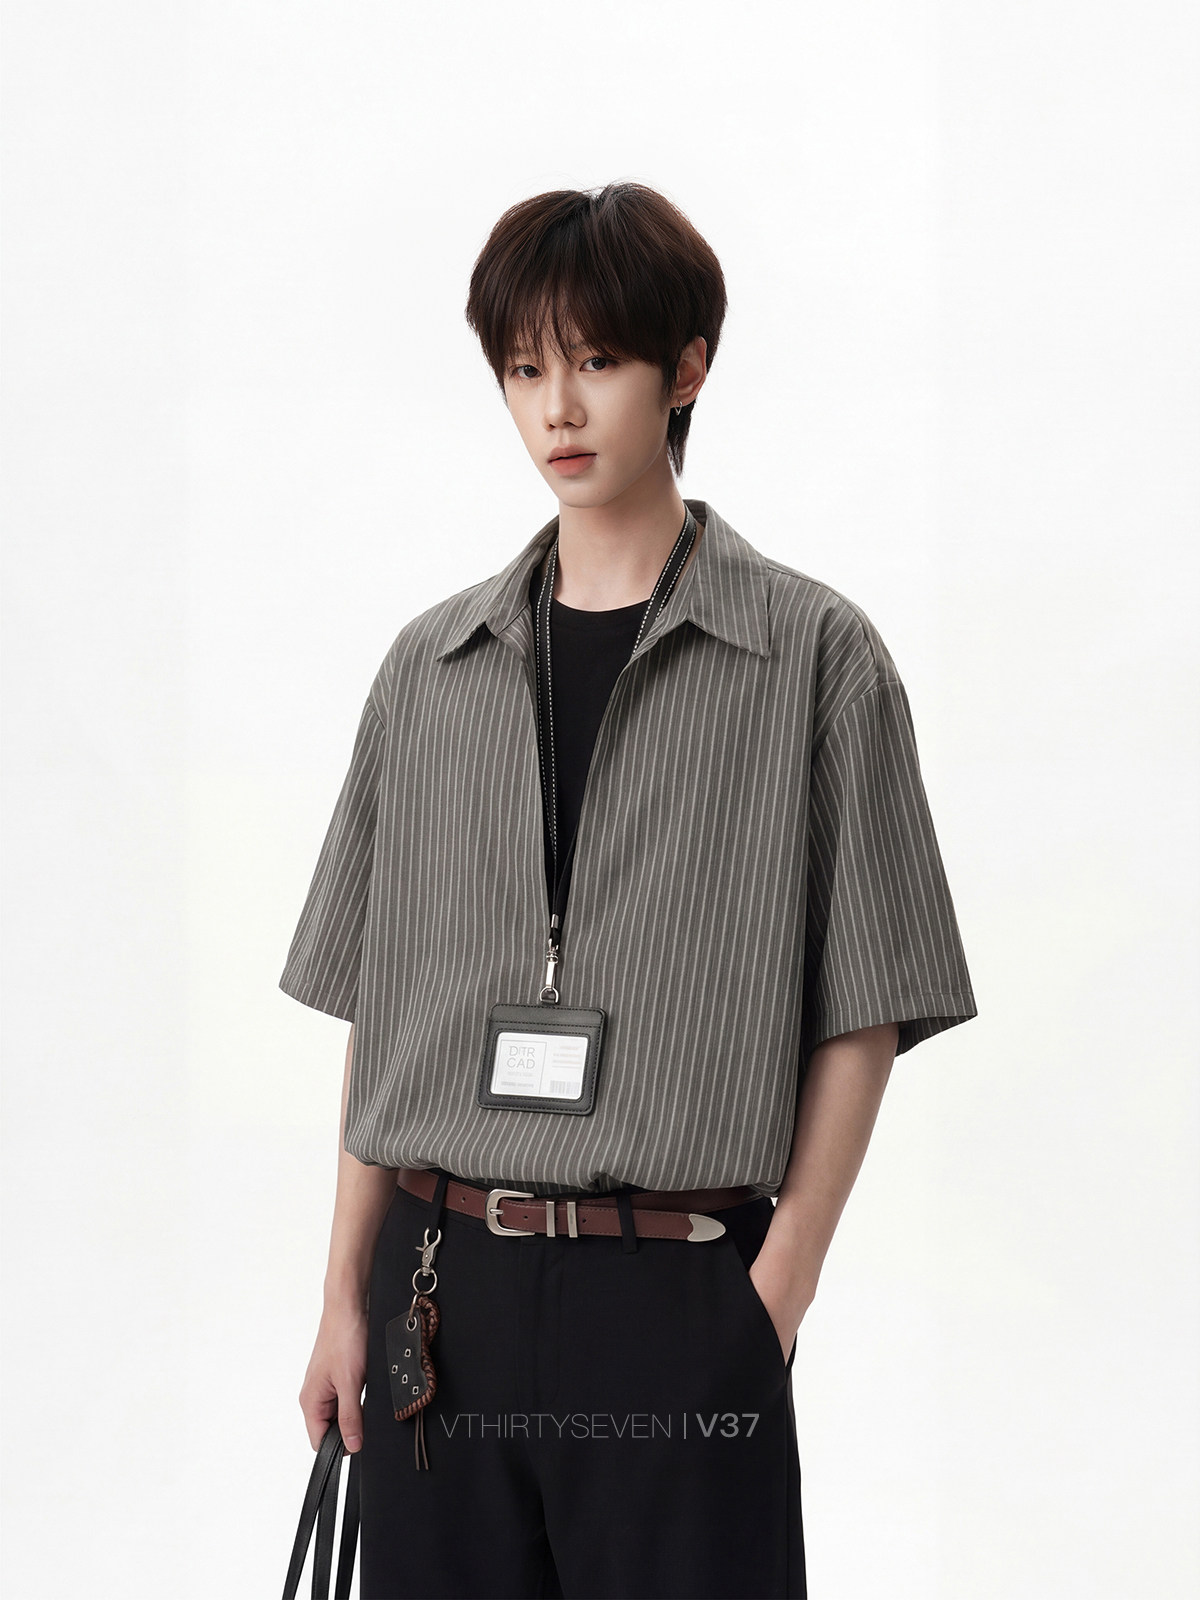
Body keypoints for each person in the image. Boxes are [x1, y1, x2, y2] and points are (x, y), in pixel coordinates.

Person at [280, 181, 978, 1600]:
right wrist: (343, 1296)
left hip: (677, 1293)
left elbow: (866, 1006)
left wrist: (773, 1296)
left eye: (596, 361)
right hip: (442, 1296)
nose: (559, 409)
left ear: (688, 369)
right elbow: (380, 1009)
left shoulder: (815, 660)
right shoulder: (430, 670)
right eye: (524, 370)